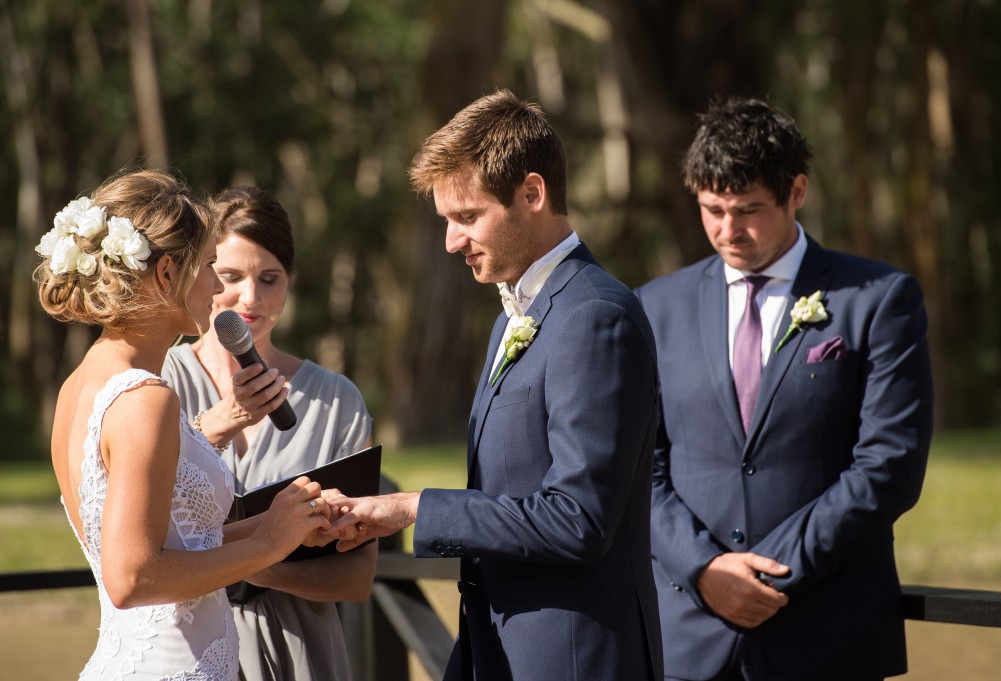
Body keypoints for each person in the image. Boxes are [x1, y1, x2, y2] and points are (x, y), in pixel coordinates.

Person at [326, 89, 664, 680]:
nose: (451, 241)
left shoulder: (594, 316)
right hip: (496, 648)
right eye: (446, 221)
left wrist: (412, 509)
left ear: (532, 194)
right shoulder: (513, 315)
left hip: (572, 657)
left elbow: (578, 520)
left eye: (467, 216)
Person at [635, 97, 934, 681]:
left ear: (797, 192)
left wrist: (772, 572)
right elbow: (639, 467)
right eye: (711, 209)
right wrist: (705, 570)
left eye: (748, 210)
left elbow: (889, 465)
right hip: (689, 640)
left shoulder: (879, 299)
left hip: (825, 635)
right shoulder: (654, 306)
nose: (728, 230)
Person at [35, 169, 342, 680]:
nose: (217, 286)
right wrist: (267, 547)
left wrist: (281, 525)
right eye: (209, 267)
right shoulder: (144, 399)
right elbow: (133, 577)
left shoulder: (79, 385)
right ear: (166, 274)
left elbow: (179, 541)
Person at [161, 185, 377, 681]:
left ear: (289, 283)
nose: (250, 298)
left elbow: (358, 577)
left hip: (301, 651)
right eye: (230, 276)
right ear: (202, 273)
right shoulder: (161, 380)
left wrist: (258, 564)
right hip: (185, 647)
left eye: (270, 278)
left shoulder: (338, 401)